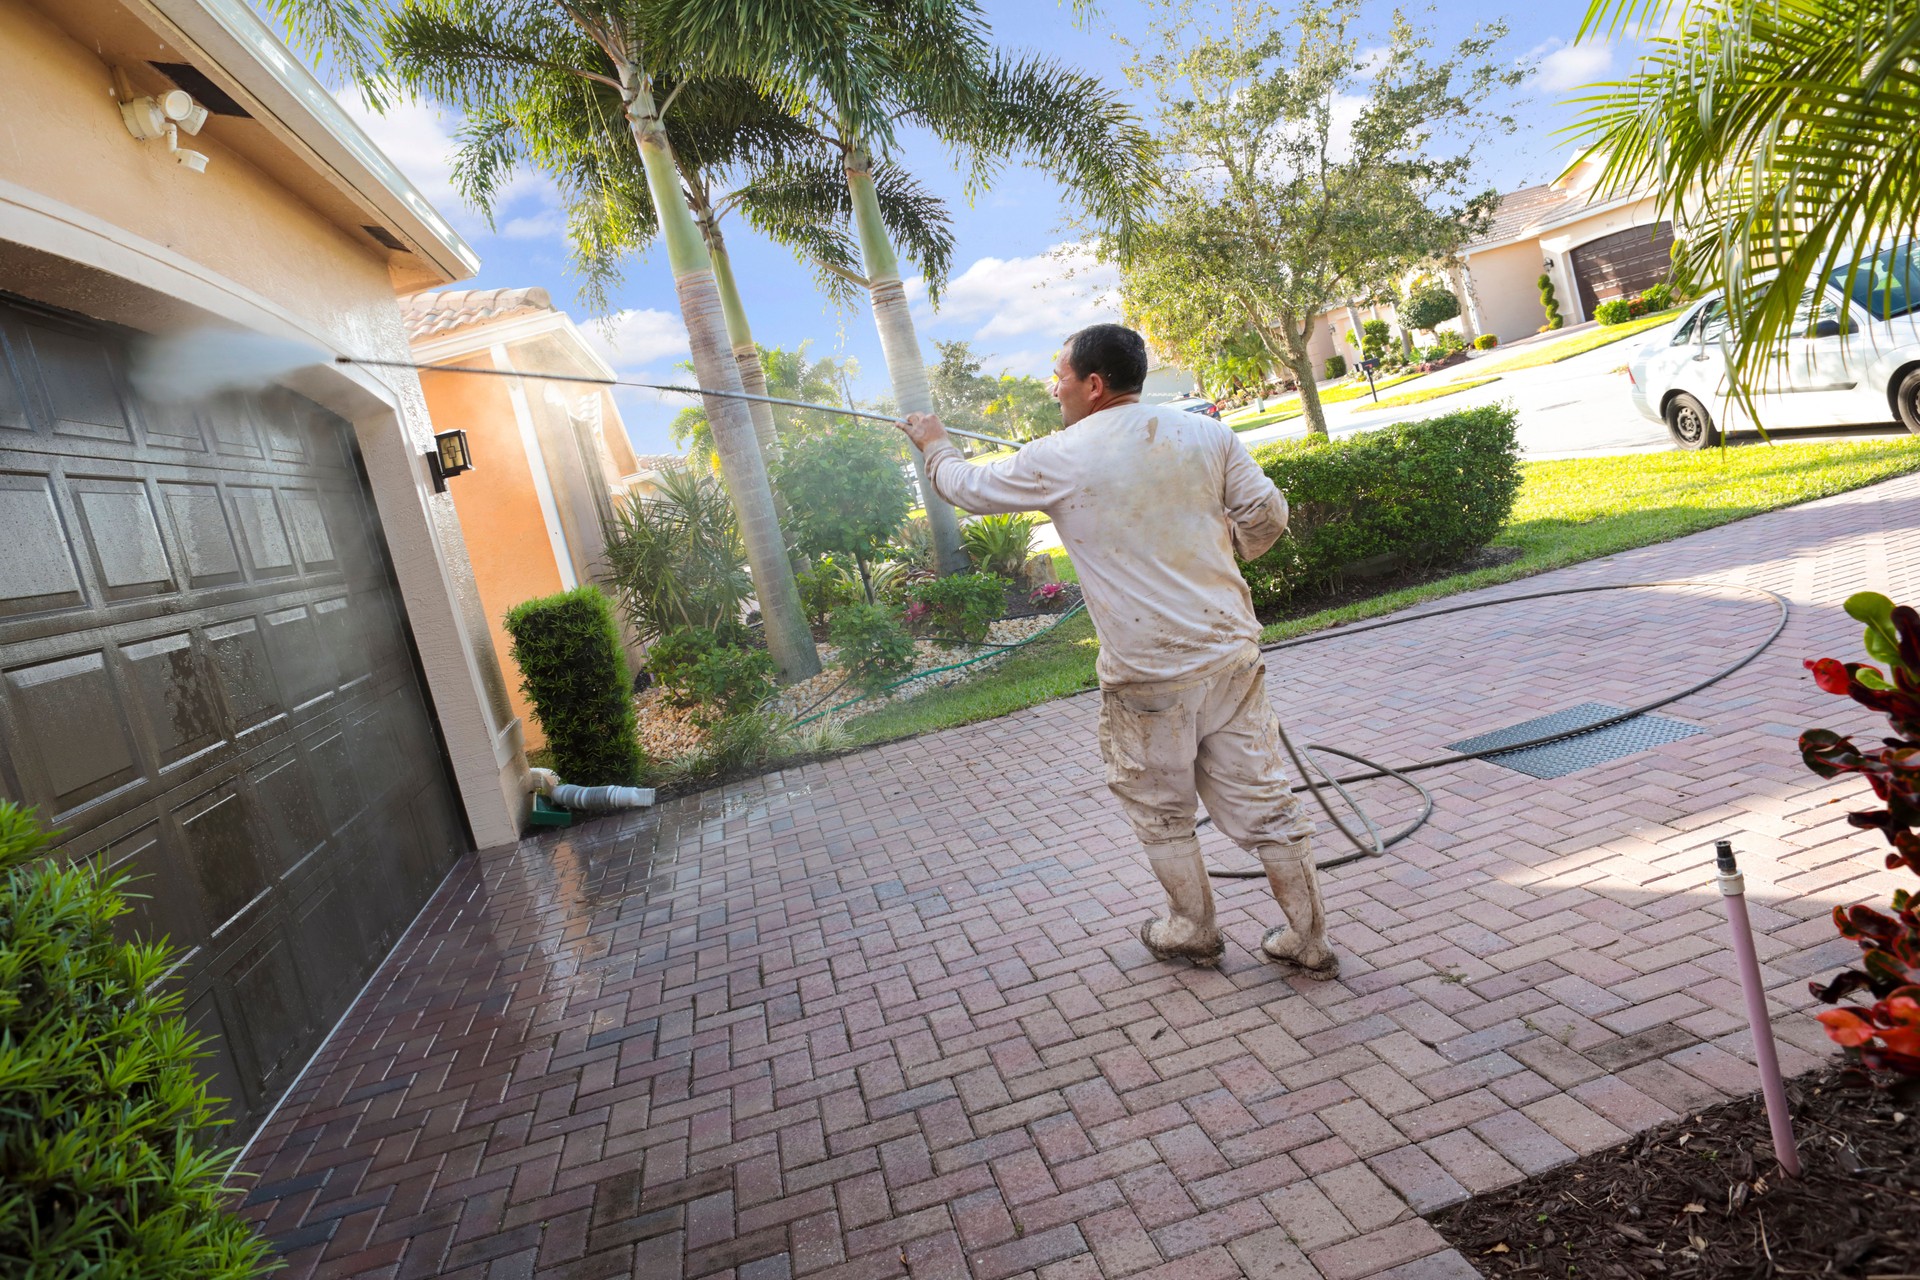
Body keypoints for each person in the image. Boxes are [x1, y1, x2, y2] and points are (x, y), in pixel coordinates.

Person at [896, 323, 1337, 976]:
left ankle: (1192, 929)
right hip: (1231, 657)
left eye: (1061, 376)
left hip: (1148, 675)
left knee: (1162, 812)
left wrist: (934, 444)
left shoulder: (1060, 456)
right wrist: (1232, 549)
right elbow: (1268, 516)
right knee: (1268, 805)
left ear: (1094, 385)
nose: (1055, 388)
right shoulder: (1206, 433)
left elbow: (965, 488)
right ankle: (1309, 941)